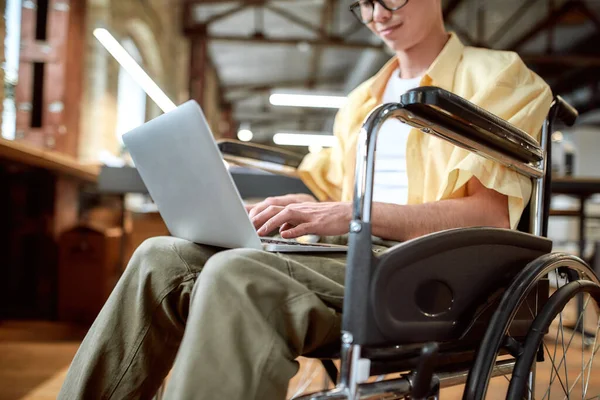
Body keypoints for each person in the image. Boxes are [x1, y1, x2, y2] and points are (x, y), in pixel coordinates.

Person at [58, 0, 553, 399]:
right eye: (362, 4)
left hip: (433, 273)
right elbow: (333, 191)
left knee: (239, 275)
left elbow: (490, 216)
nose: (378, 13)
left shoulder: (496, 78)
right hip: (354, 257)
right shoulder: (363, 100)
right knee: (160, 256)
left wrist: (351, 212)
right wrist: (299, 199)